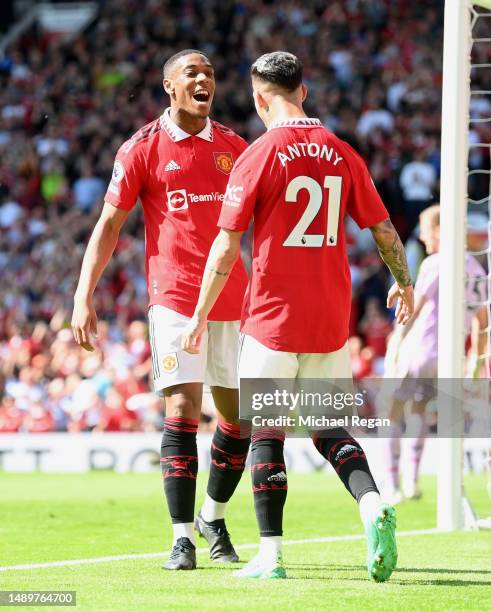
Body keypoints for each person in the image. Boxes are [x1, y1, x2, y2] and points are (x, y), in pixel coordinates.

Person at [182, 51, 414, 581]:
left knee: (268, 432)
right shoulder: (342, 152)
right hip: (331, 318)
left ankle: (271, 556)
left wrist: (199, 314)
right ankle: (372, 504)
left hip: (274, 317)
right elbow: (382, 230)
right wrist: (404, 282)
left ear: (261, 99)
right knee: (332, 430)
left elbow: (224, 249)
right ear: (303, 92)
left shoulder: (258, 154)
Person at [71, 50, 251, 571]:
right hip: (173, 297)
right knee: (182, 412)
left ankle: (212, 517)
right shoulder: (141, 149)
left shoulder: (235, 148)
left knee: (238, 419)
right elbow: (108, 226)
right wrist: (85, 295)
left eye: (210, 74)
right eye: (192, 73)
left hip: (232, 298)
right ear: (169, 86)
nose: (203, 79)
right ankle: (181, 538)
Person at [383, 205, 488, 503]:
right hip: (450, 356)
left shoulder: (436, 263)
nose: (423, 238)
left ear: (441, 230)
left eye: (426, 231)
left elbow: (414, 306)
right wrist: (477, 358)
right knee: (418, 411)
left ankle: (393, 483)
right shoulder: (476, 267)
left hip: (421, 348)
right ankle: (413, 482)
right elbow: (483, 321)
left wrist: (397, 340)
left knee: (391, 410)